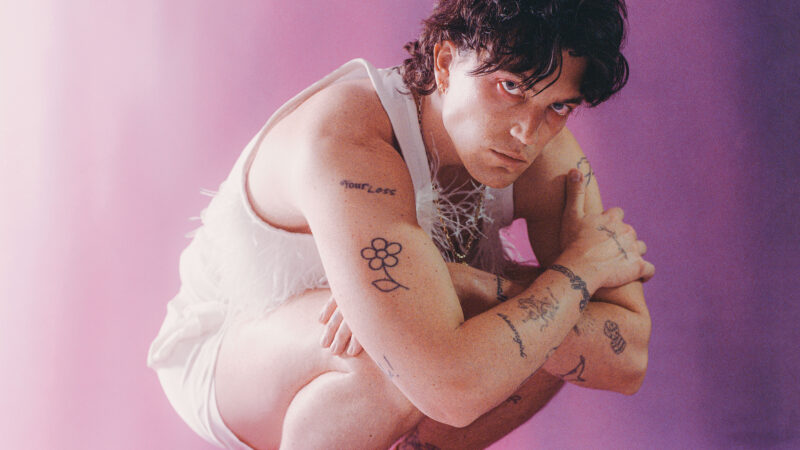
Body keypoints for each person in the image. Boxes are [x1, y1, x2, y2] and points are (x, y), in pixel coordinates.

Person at [147, 0, 654, 448]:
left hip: (402, 356)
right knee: (386, 359)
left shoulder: (542, 151)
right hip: (229, 350)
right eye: (510, 87)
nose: (527, 133)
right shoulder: (350, 141)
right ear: (446, 61)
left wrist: (468, 285)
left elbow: (629, 359)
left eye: (558, 105)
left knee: (537, 335)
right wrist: (578, 274)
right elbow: (450, 392)